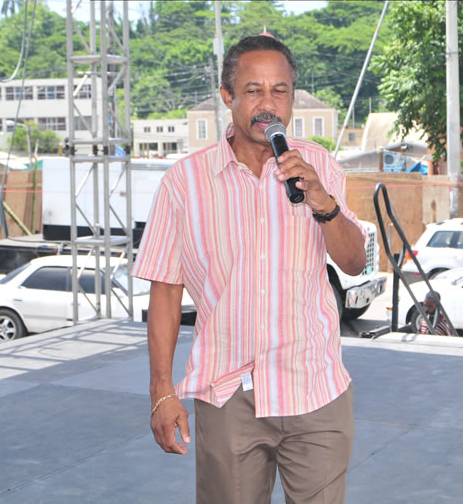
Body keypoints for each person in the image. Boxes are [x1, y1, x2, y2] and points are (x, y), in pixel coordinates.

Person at [133, 34, 367, 504]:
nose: (268, 103)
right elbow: (165, 292)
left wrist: (324, 203)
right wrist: (162, 390)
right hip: (227, 396)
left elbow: (355, 261)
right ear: (228, 97)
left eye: (280, 91)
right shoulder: (185, 183)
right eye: (254, 90)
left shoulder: (319, 166)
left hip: (314, 390)